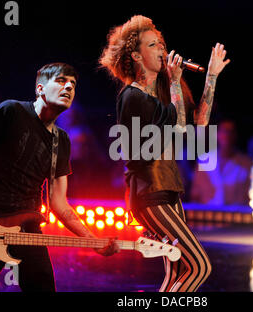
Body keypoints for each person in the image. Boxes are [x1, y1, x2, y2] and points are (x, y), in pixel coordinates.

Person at [0, 62, 118, 292]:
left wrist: (93, 241)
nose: (69, 87)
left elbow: (59, 203)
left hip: (28, 228)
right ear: (40, 88)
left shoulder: (61, 140)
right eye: (62, 80)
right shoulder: (11, 111)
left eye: (73, 84)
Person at [99, 15, 230, 292]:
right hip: (148, 192)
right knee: (200, 265)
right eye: (152, 45)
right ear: (135, 55)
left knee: (178, 269)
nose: (161, 50)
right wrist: (174, 82)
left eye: (161, 44)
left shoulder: (163, 90)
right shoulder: (132, 96)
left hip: (168, 189)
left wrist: (212, 77)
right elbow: (180, 128)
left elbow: (200, 121)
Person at [191, 119, 253, 206]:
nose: (227, 135)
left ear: (235, 135)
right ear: (217, 134)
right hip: (207, 214)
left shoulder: (246, 163)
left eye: (230, 132)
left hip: (235, 215)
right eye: (224, 131)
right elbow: (195, 194)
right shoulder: (204, 160)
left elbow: (249, 194)